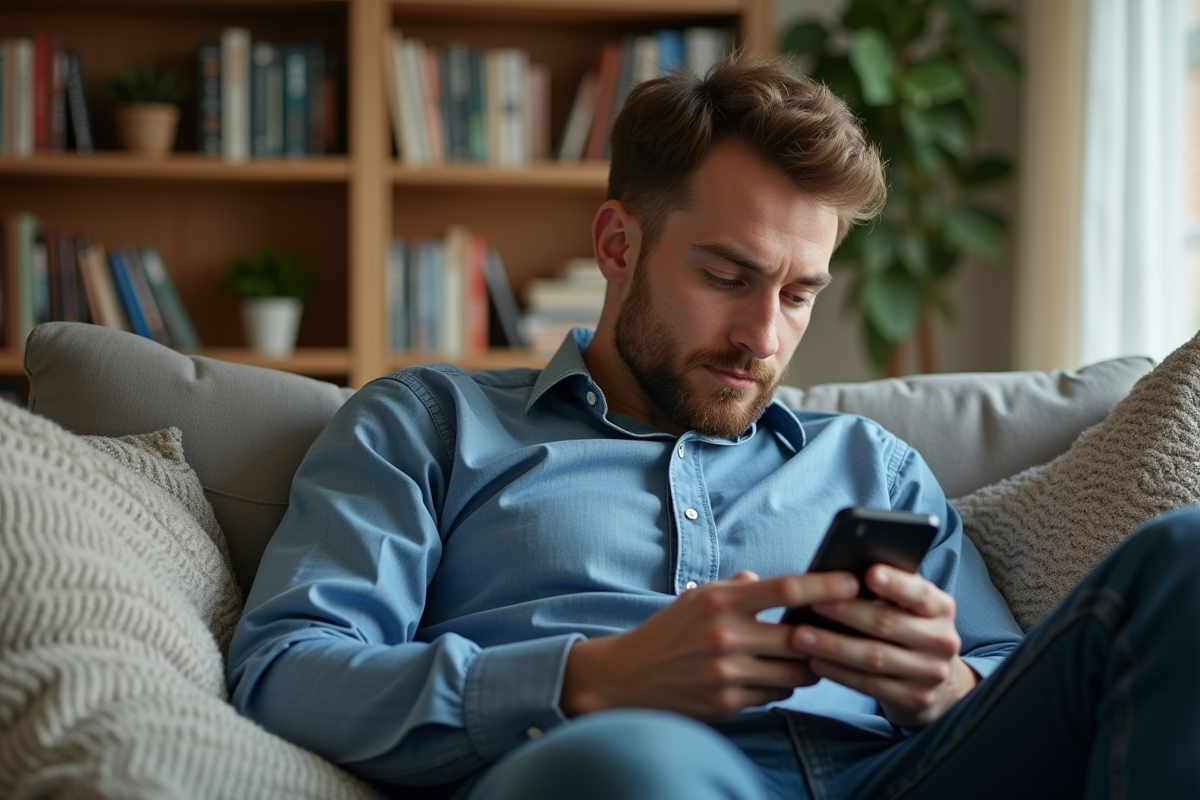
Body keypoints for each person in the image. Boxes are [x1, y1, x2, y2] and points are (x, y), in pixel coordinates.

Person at [227, 55, 1200, 799]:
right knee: (627, 760)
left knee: (1184, 556)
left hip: (896, 776)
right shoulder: (431, 423)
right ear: (619, 244)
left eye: (798, 294)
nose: (762, 336)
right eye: (728, 277)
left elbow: (1006, 671)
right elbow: (286, 671)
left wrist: (941, 687)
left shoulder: (873, 465)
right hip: (615, 766)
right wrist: (589, 677)